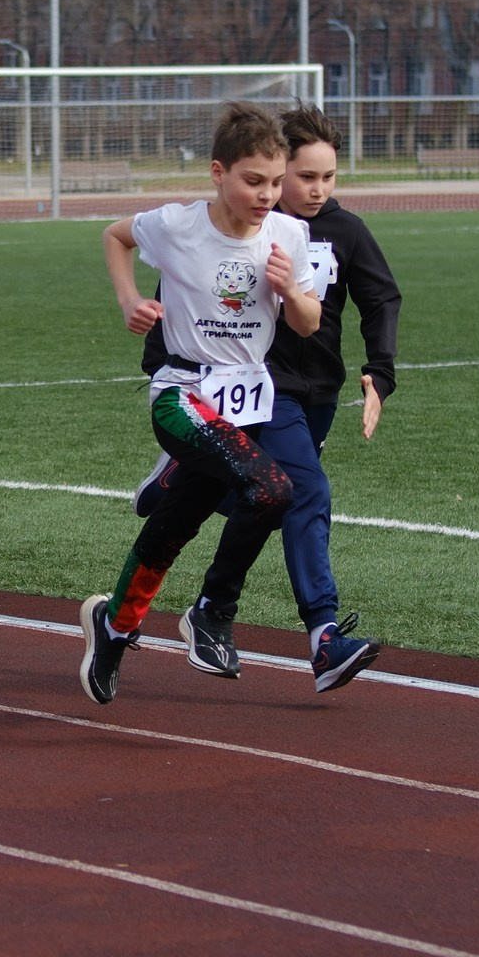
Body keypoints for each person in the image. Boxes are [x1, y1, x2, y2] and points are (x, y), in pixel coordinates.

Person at [75, 105, 317, 705]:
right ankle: (212, 612)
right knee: (273, 490)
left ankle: (113, 626)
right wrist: (130, 301)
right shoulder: (177, 225)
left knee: (175, 525)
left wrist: (290, 290)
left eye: (276, 182)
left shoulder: (289, 235)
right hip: (181, 393)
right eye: (253, 181)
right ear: (218, 172)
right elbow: (115, 236)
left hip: (244, 403)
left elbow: (308, 323)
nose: (267, 195)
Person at [184, 106, 397, 690]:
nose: (317, 189)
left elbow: (382, 299)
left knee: (269, 500)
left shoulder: (346, 231)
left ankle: (211, 603)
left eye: (329, 177)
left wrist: (379, 373)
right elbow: (185, 288)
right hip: (259, 386)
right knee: (307, 491)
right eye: (305, 177)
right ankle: (325, 637)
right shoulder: (248, 225)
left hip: (318, 395)